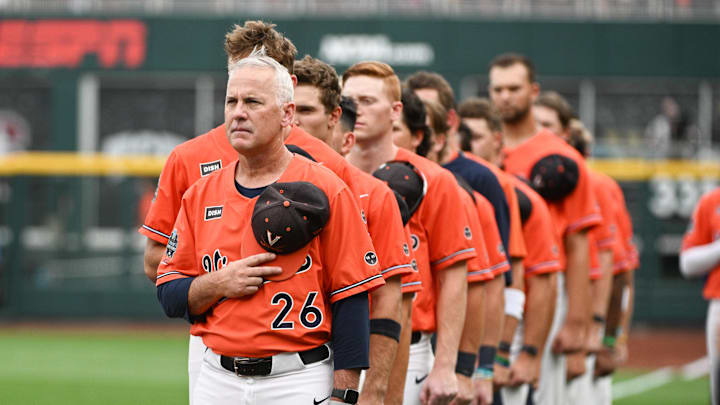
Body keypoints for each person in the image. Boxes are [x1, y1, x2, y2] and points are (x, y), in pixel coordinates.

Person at [139, 20, 365, 403]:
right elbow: (168, 291)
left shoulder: (327, 183)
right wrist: (217, 283)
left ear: (286, 112)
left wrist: (345, 394)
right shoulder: (199, 191)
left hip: (299, 374)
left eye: (253, 102)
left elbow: (353, 294)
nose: (238, 113)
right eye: (232, 101)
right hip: (217, 373)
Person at [343, 61, 477, 405]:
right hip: (336, 344)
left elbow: (454, 275)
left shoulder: (435, 179)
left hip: (411, 344)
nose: (356, 109)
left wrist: (447, 365)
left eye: (369, 100)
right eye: (349, 99)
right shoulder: (326, 173)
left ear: (396, 110)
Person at [294, 55, 419, 404]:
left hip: (337, 356)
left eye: (306, 110)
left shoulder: (374, 193)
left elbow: (391, 300)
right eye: (289, 109)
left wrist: (376, 389)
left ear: (334, 119)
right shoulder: (253, 182)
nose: (294, 121)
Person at [406, 71, 529, 404]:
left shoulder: (479, 182)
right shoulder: (375, 179)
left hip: (444, 344)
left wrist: (486, 365)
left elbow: (491, 281)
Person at [489, 52, 601, 405]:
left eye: (514, 88)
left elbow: (579, 244)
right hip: (490, 287)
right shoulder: (480, 149)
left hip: (544, 290)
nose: (505, 96)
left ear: (533, 91)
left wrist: (577, 323)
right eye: (497, 89)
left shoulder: (562, 156)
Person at [458, 97, 560, 405]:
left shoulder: (518, 195)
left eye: (475, 137)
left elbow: (538, 280)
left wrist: (520, 353)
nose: (468, 145)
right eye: (463, 138)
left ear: (496, 139)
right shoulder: (450, 186)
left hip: (506, 328)